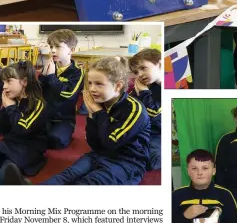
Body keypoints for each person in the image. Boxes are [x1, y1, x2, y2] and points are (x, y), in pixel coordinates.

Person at [44, 57, 150, 186]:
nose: (92, 89)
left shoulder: (134, 109)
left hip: (126, 162)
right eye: (90, 83)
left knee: (88, 183)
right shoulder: (101, 104)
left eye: (99, 84)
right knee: (67, 175)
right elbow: (94, 143)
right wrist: (92, 115)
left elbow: (110, 142)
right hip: (99, 154)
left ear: (118, 86)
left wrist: (98, 113)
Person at [39, 28, 83, 150]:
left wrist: (51, 77)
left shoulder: (77, 72)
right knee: (30, 134)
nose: (53, 50)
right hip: (46, 116)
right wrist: (43, 76)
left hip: (64, 119)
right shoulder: (50, 67)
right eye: (51, 46)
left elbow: (68, 93)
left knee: (56, 141)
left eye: (58, 47)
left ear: (71, 50)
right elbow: (39, 90)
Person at [130, 48, 162, 172]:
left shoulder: (169, 85)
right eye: (136, 72)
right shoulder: (146, 86)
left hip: (158, 133)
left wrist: (144, 93)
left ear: (159, 64)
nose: (140, 75)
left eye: (143, 68)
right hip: (144, 130)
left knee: (153, 159)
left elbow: (156, 116)